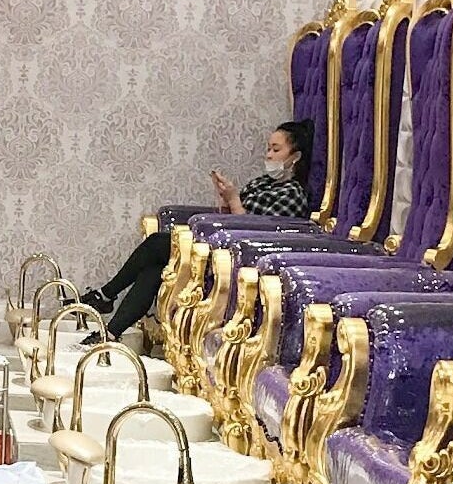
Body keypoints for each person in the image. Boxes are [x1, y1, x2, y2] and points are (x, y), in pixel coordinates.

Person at [78, 120, 314, 343]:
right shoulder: (262, 184)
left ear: (295, 157)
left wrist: (234, 199)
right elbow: (233, 218)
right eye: (268, 149)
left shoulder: (292, 194)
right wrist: (225, 200)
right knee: (153, 268)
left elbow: (253, 233)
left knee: (158, 244)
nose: (269, 155)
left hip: (240, 261)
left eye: (276, 150)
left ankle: (106, 295)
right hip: (222, 246)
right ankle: (110, 333)